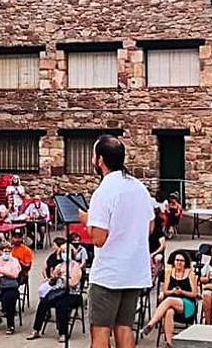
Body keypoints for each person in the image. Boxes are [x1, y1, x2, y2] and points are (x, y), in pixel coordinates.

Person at [79, 135, 154, 348]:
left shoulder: (104, 191)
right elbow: (149, 227)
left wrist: (87, 220)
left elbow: (98, 239)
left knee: (100, 331)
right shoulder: (139, 187)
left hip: (109, 274)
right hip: (134, 271)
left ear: (100, 160)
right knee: (124, 327)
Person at [28, 244, 84, 342]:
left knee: (61, 305)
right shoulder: (59, 265)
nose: (64, 254)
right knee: (44, 301)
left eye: (66, 252)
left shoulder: (76, 267)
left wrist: (63, 277)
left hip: (72, 294)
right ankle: (36, 329)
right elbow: (51, 282)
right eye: (62, 252)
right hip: (58, 291)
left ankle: (63, 333)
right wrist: (54, 278)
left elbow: (73, 284)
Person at [142, 251, 198, 346]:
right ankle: (169, 342)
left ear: (185, 262)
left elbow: (194, 294)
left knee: (169, 300)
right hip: (171, 302)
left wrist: (182, 292)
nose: (179, 262)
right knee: (169, 311)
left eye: (182, 260)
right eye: (177, 260)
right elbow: (166, 291)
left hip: (187, 304)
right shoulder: (169, 272)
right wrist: (173, 291)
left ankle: (151, 324)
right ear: (173, 261)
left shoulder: (190, 273)